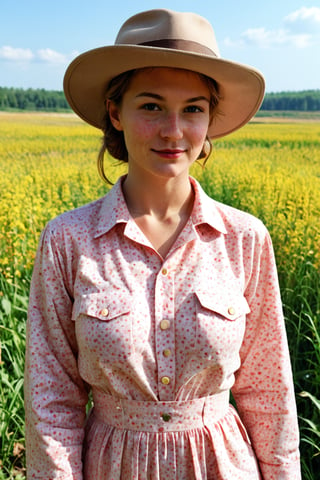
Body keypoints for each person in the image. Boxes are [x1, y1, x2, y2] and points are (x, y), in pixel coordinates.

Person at [24, 9, 301, 480]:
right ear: (116, 112)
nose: (173, 130)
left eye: (193, 108)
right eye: (151, 106)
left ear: (210, 119)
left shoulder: (244, 238)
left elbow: (268, 391)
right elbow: (52, 400)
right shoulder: (68, 240)